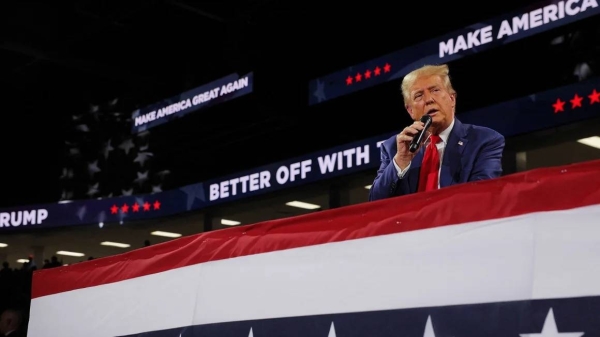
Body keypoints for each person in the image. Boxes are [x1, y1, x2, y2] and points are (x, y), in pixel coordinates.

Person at [369, 64, 505, 200]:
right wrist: (401, 160)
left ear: (452, 99)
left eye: (435, 90)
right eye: (419, 96)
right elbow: (374, 202)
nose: (429, 100)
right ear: (410, 110)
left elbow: (482, 195)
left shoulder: (484, 140)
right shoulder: (394, 147)